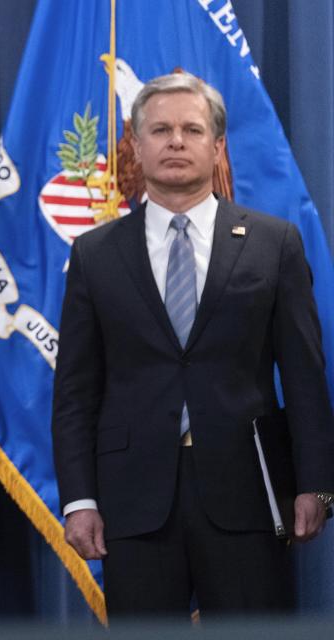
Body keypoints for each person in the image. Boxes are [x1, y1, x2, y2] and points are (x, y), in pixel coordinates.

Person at [51, 72, 334, 618]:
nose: (176, 141)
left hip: (249, 492)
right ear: (136, 146)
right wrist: (79, 499)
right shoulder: (95, 253)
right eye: (159, 130)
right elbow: (75, 392)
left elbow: (304, 376)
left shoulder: (273, 243)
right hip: (133, 501)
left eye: (191, 129)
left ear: (217, 146)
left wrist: (317, 486)